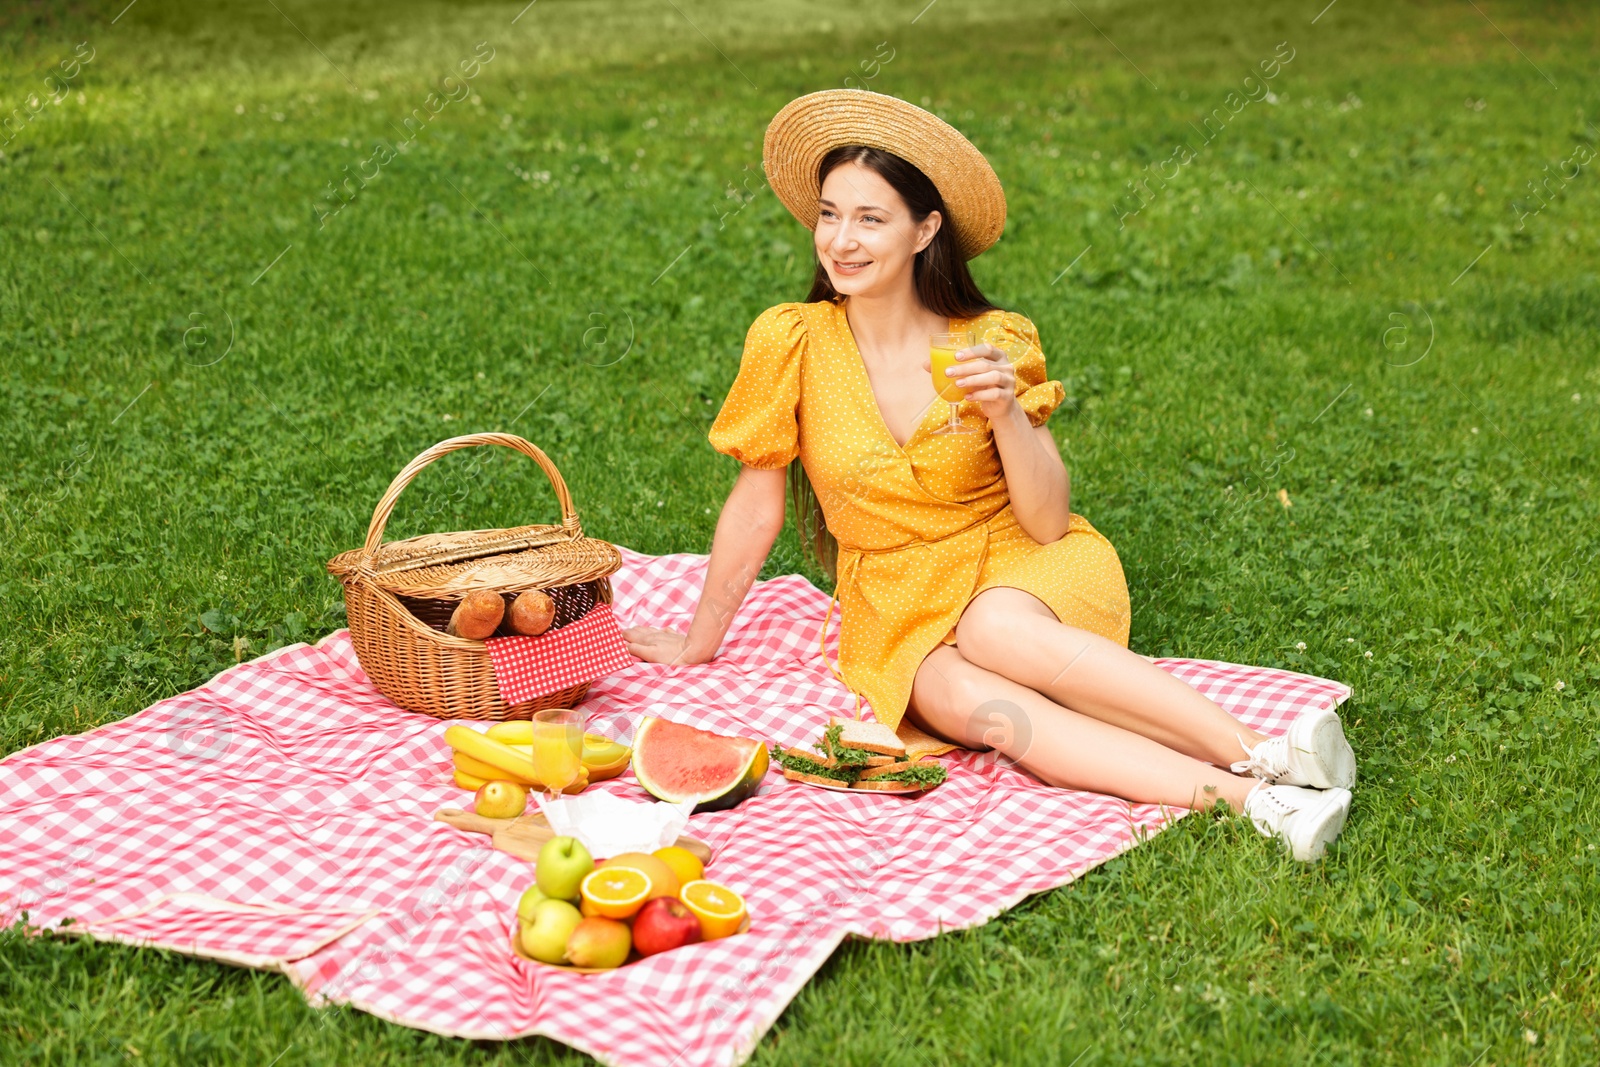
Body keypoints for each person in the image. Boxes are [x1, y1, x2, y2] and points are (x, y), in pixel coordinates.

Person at [624, 89, 1355, 861]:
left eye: (870, 219)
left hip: (1023, 561)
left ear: (924, 229)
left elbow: (1046, 521)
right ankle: (1258, 801)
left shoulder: (991, 342)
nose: (841, 240)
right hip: (896, 603)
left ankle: (1265, 748)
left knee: (995, 627)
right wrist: (700, 641)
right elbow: (756, 507)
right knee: (979, 703)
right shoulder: (792, 341)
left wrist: (1008, 412)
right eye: (830, 214)